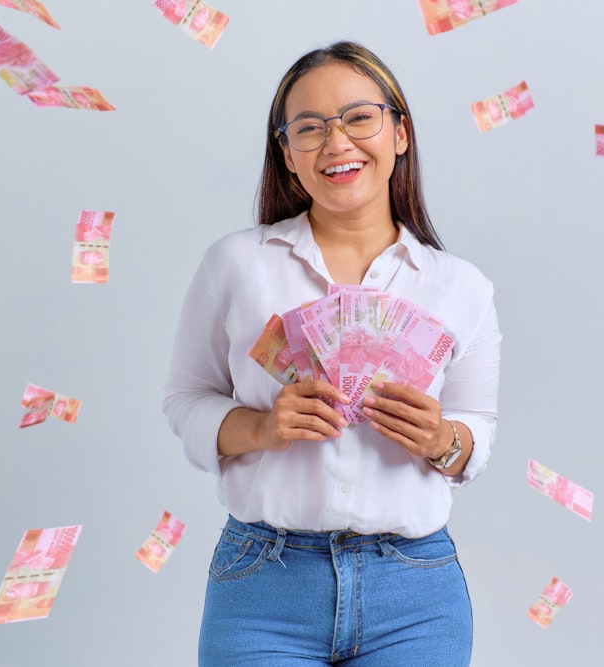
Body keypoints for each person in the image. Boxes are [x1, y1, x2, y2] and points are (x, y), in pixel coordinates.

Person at [163, 41, 501, 666]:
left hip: (415, 592)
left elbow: (477, 432)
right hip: (263, 583)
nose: (337, 143)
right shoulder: (236, 265)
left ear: (400, 132)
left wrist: (441, 439)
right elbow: (186, 399)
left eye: (359, 118)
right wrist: (261, 427)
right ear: (288, 154)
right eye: (310, 128)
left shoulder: (462, 287)